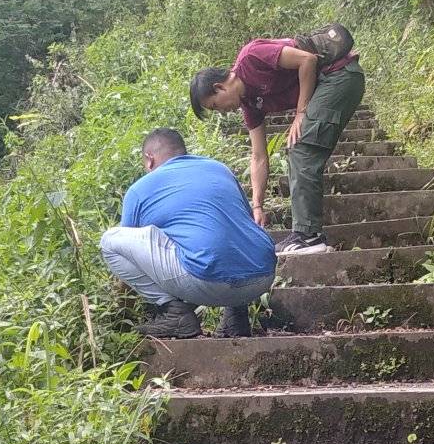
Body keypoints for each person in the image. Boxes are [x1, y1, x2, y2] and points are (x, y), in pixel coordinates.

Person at [189, 30, 366, 256]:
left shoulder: (251, 58)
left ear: (219, 87)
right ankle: (307, 234)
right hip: (330, 84)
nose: (222, 112)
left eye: (215, 106)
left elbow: (307, 60)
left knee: (301, 147)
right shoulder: (249, 106)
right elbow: (258, 156)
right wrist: (257, 206)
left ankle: (308, 236)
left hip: (338, 75)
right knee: (300, 147)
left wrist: (301, 112)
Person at [99, 127, 276, 339]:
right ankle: (236, 316)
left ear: (149, 159)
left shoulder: (140, 189)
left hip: (207, 282)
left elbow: (129, 255)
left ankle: (175, 315)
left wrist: (120, 317)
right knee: (225, 232)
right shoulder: (220, 169)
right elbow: (241, 223)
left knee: (110, 240)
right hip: (264, 276)